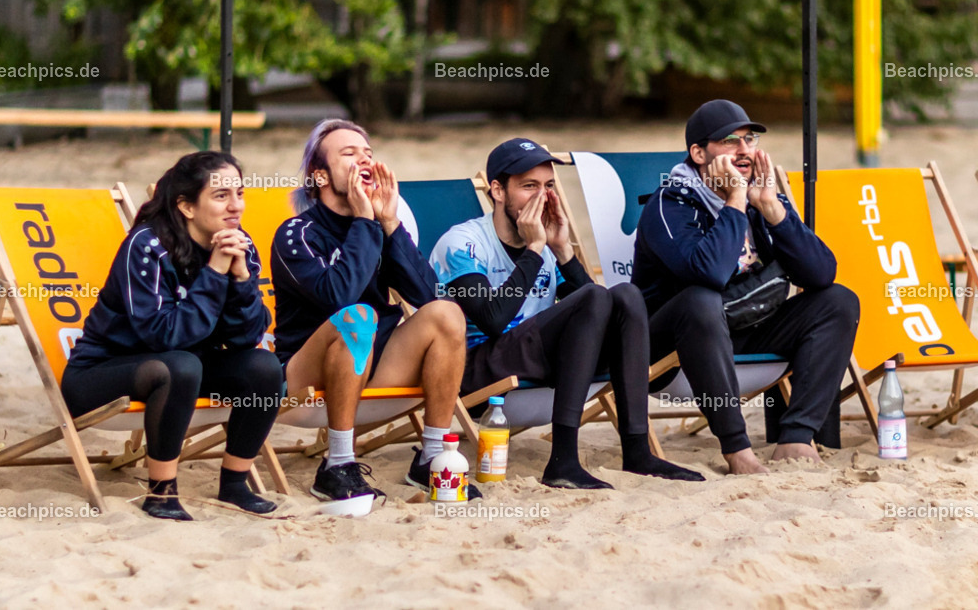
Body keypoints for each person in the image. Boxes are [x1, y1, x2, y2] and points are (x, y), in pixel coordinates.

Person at [430, 138, 704, 489]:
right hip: (479, 365)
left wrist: (562, 251)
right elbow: (492, 320)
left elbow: (602, 310)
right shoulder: (463, 244)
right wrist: (534, 249)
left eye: (548, 186)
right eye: (529, 186)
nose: (542, 196)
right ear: (497, 190)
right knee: (595, 297)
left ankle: (637, 451)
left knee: (627, 296)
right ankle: (563, 460)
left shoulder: (547, 247)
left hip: (536, 355)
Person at [632, 99, 860, 474]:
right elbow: (708, 274)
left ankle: (796, 438)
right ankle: (737, 448)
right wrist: (735, 201)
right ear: (699, 153)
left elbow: (821, 274)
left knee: (838, 301)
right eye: (729, 141)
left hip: (745, 331)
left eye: (749, 140)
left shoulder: (761, 198)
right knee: (700, 300)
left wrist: (771, 208)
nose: (744, 151)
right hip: (672, 351)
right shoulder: (670, 203)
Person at [62, 151, 283, 520]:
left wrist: (242, 279)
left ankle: (234, 484)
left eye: (240, 194)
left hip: (187, 366)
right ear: (187, 206)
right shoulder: (147, 246)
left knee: (264, 367)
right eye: (221, 195)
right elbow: (163, 336)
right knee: (179, 365)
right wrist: (213, 273)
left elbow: (246, 336)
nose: (236, 207)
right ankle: (161, 492)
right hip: (103, 372)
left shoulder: (237, 243)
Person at [271, 118, 477, 502]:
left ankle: (433, 459)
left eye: (368, 153)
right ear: (319, 177)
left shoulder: (379, 228)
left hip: (375, 366)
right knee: (358, 316)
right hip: (305, 377)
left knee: (447, 313)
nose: (364, 161)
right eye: (348, 154)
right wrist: (365, 222)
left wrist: (388, 222)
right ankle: (338, 464)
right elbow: (339, 297)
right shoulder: (295, 234)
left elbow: (428, 295)